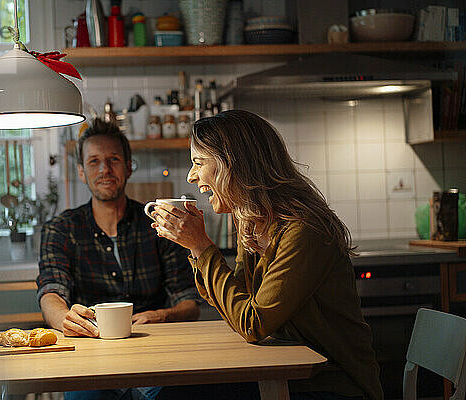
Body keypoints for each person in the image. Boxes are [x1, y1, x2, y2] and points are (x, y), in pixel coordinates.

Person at [149, 110, 384, 400]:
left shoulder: (303, 230)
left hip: (333, 383)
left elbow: (251, 323)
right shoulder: (250, 220)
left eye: (199, 162)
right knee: (170, 393)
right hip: (286, 372)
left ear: (235, 165)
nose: (191, 175)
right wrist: (195, 248)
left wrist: (200, 246)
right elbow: (234, 298)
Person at [36, 118, 201, 400]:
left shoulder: (158, 225)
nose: (105, 169)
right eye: (94, 161)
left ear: (128, 167)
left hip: (155, 361)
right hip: (89, 364)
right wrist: (65, 318)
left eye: (113, 159)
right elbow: (51, 291)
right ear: (81, 171)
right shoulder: (61, 229)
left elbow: (189, 304)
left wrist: (161, 316)